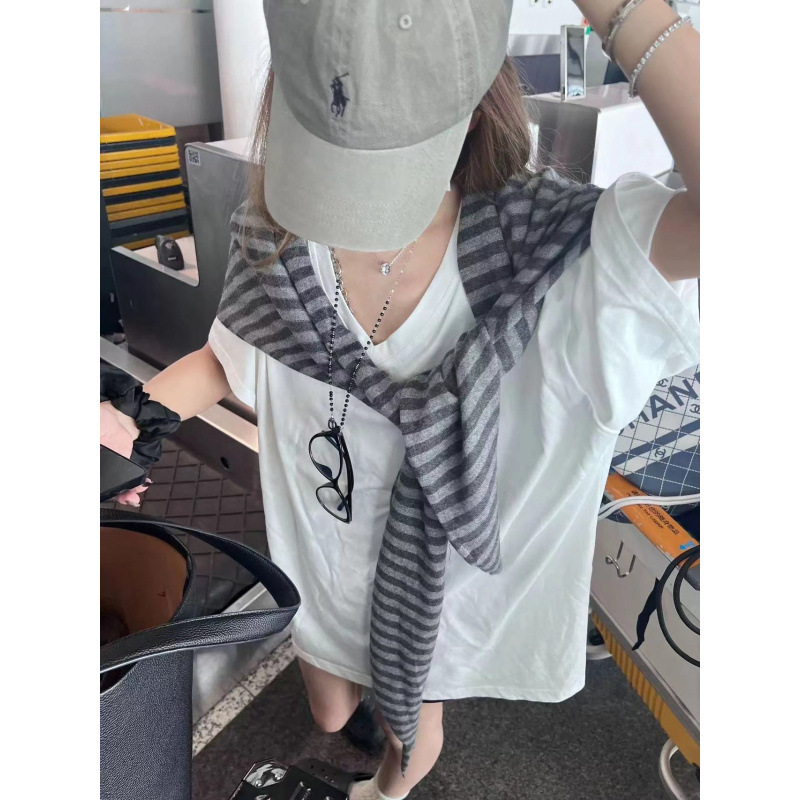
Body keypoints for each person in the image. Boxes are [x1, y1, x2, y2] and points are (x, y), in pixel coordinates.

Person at [101, 1, 699, 798]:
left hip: (440, 588)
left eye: (382, 161)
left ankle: (386, 784)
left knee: (408, 727)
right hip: (318, 555)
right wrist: (131, 420)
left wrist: (623, 10)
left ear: (472, 105)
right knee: (327, 711)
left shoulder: (557, 257)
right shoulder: (279, 230)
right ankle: (362, 711)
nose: (351, 206)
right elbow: (227, 357)